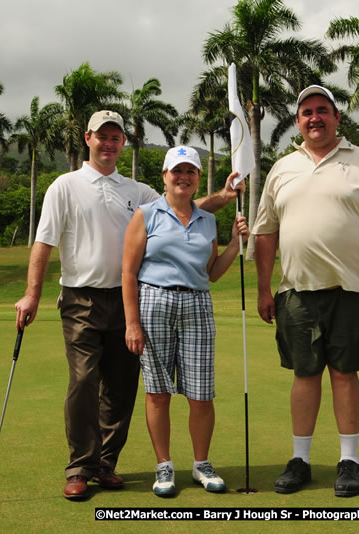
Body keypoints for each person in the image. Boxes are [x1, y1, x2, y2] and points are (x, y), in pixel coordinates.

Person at [14, 112, 243, 501]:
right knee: (85, 381)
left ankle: (105, 464)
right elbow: (44, 242)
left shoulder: (137, 191)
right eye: (101, 136)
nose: (108, 143)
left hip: (127, 299)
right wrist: (31, 294)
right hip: (81, 297)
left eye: (115, 137)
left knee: (121, 387)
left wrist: (222, 198)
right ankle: (80, 467)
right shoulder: (65, 186)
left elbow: (178, 208)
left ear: (124, 143)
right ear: (88, 138)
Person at [253, 85, 359, 498]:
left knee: (343, 373)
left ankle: (349, 460)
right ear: (297, 122)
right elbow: (266, 232)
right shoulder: (283, 168)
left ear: (337, 118)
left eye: (323, 110)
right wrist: (265, 288)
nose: (314, 118)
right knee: (304, 375)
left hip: (351, 290)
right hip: (296, 292)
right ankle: (300, 460)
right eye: (306, 113)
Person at [121, 146, 249, 497]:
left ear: (196, 179)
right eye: (176, 171)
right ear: (164, 176)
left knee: (201, 394)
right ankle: (164, 466)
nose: (183, 177)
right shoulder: (146, 215)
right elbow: (128, 273)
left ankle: (201, 463)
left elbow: (211, 274)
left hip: (196, 305)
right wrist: (132, 324)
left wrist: (235, 246)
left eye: (190, 171)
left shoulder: (208, 221)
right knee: (158, 393)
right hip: (153, 303)